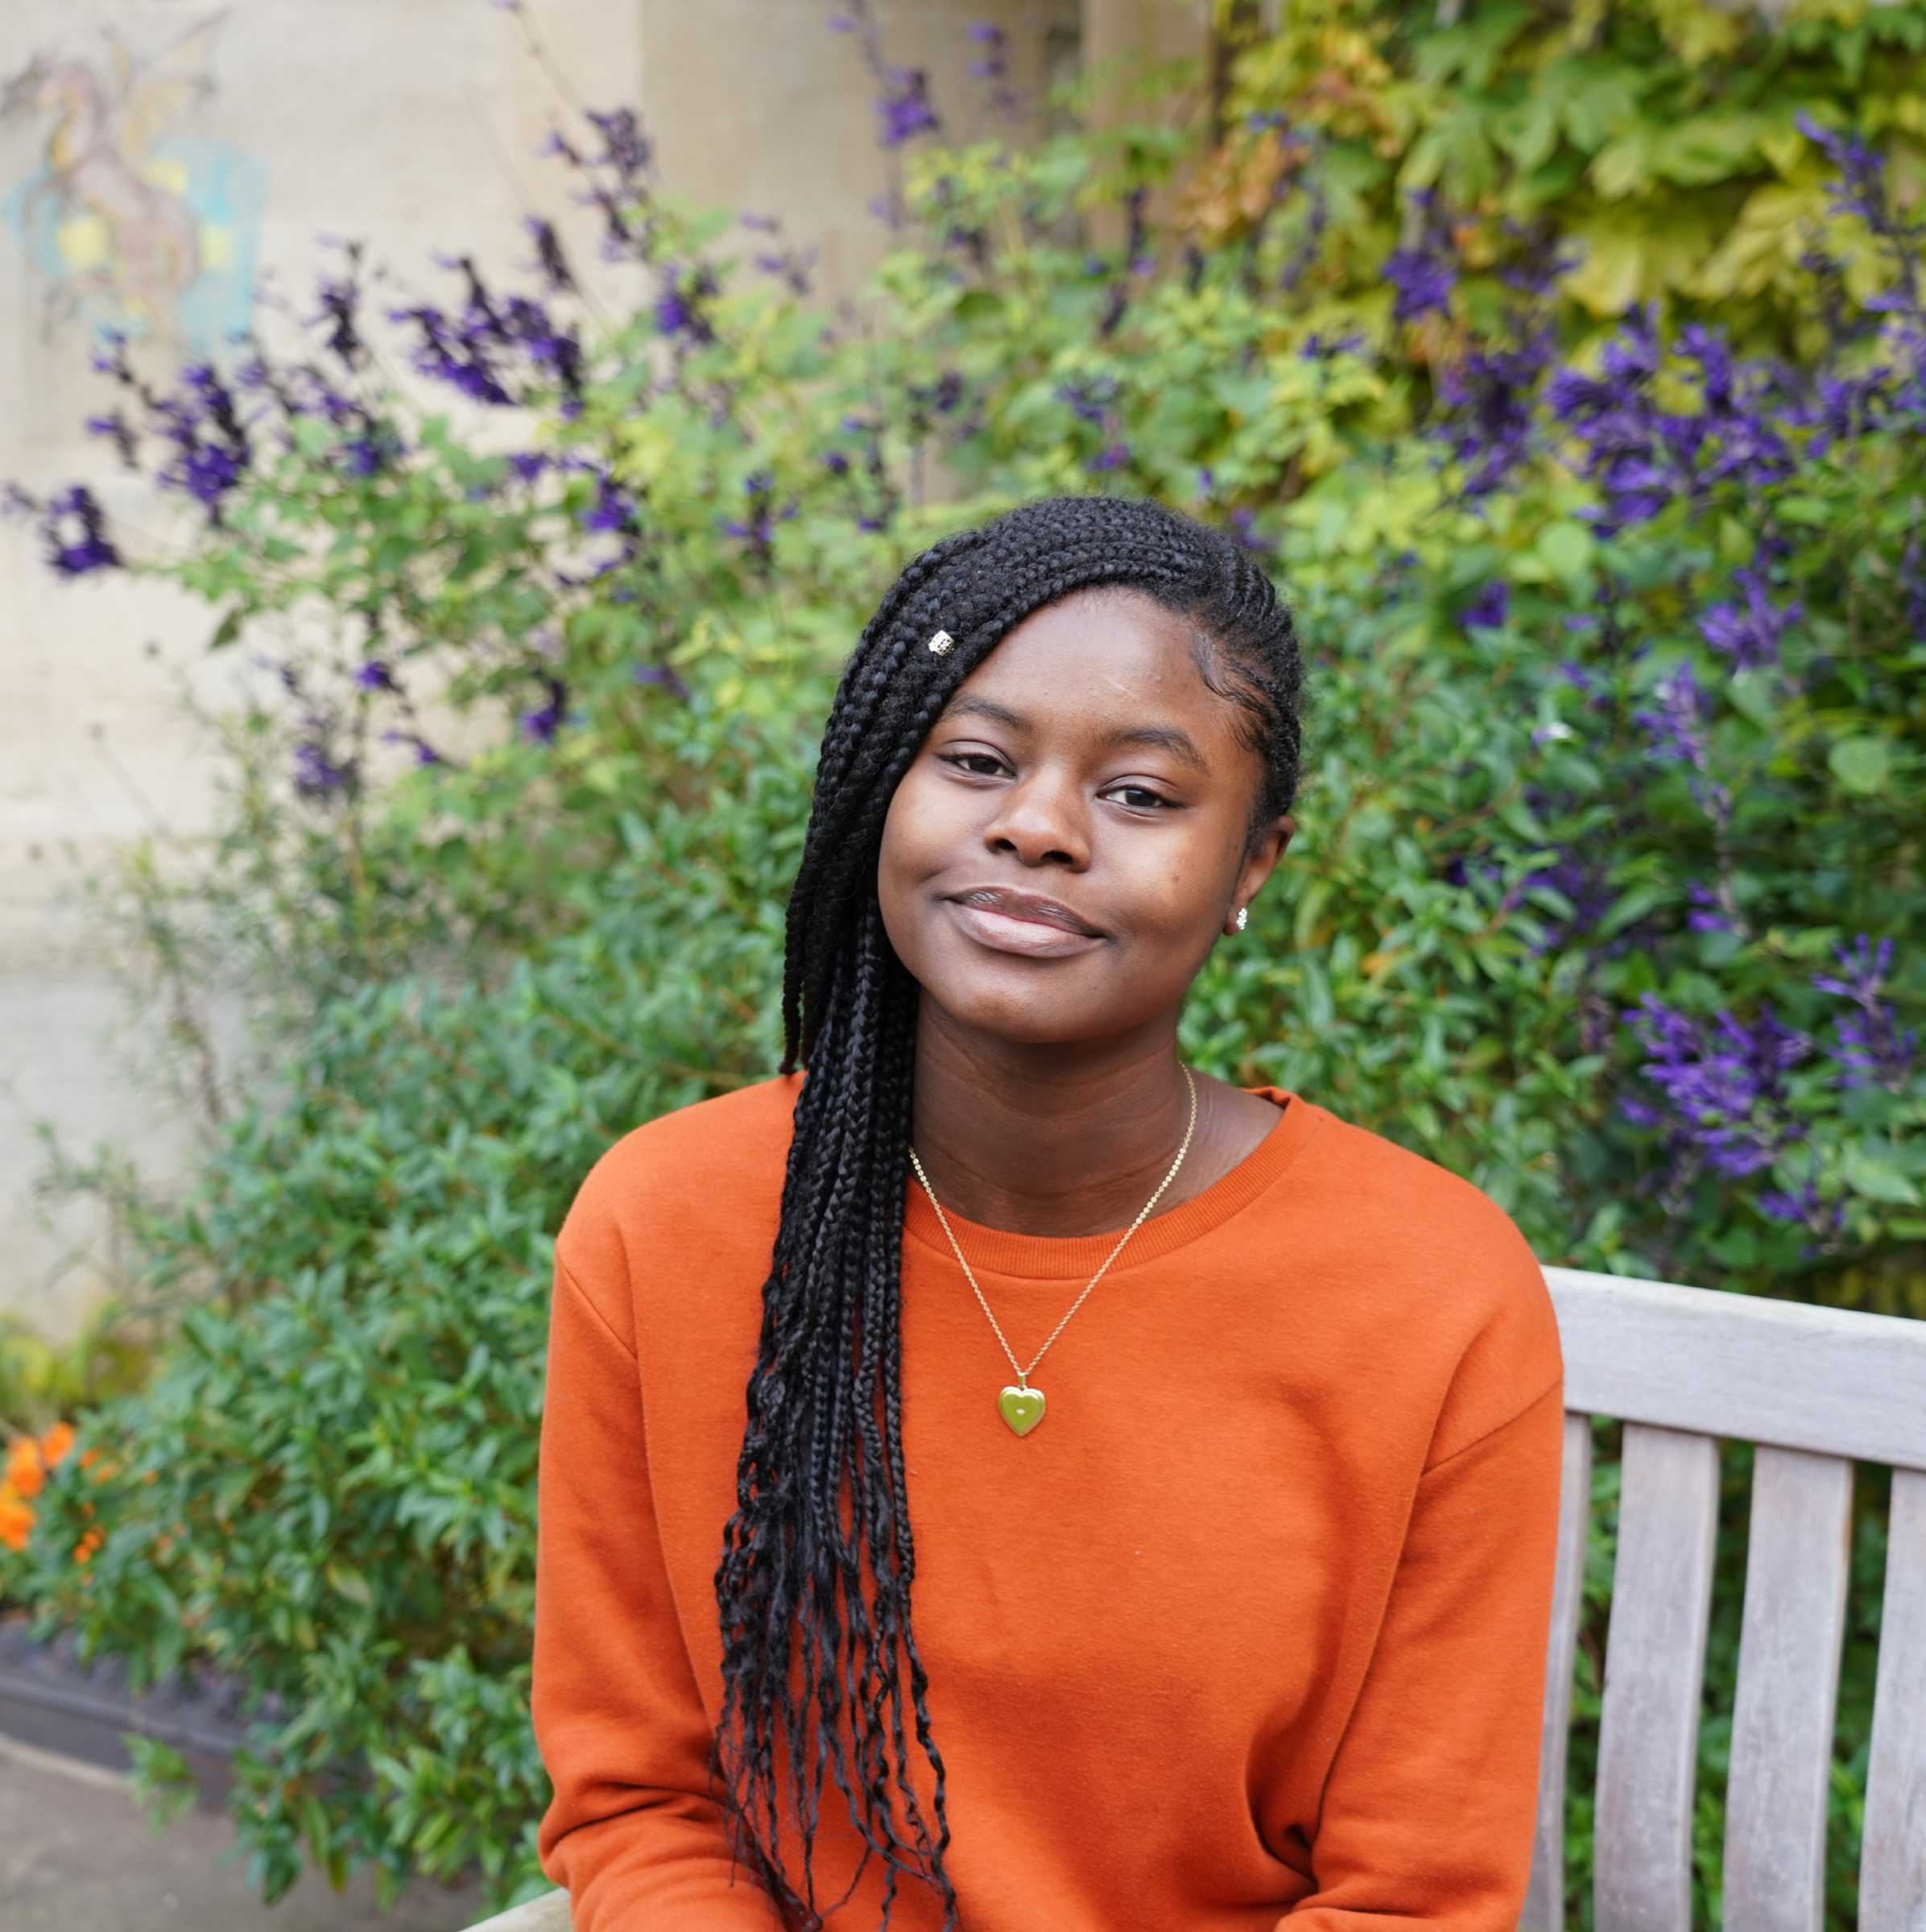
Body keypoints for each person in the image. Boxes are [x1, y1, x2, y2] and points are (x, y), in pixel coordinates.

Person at [531, 493, 1566, 1931]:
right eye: (974, 760)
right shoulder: (670, 1224)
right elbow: (644, 1799)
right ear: (883, 785)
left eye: (1139, 794)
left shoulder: (1433, 1295)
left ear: (1252, 863)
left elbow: (1414, 1899)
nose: (1035, 828)